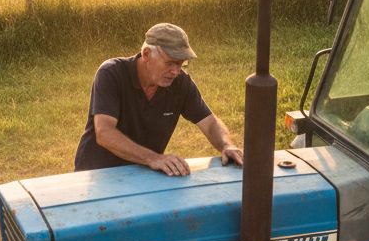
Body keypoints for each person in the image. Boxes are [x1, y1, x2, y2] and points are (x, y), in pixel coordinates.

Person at [74, 22, 244, 176]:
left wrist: (226, 145)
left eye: (181, 64)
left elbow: (209, 122)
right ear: (146, 54)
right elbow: (104, 133)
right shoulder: (112, 73)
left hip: (144, 175)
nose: (176, 71)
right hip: (96, 175)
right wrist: (153, 158)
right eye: (170, 63)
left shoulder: (180, 83)